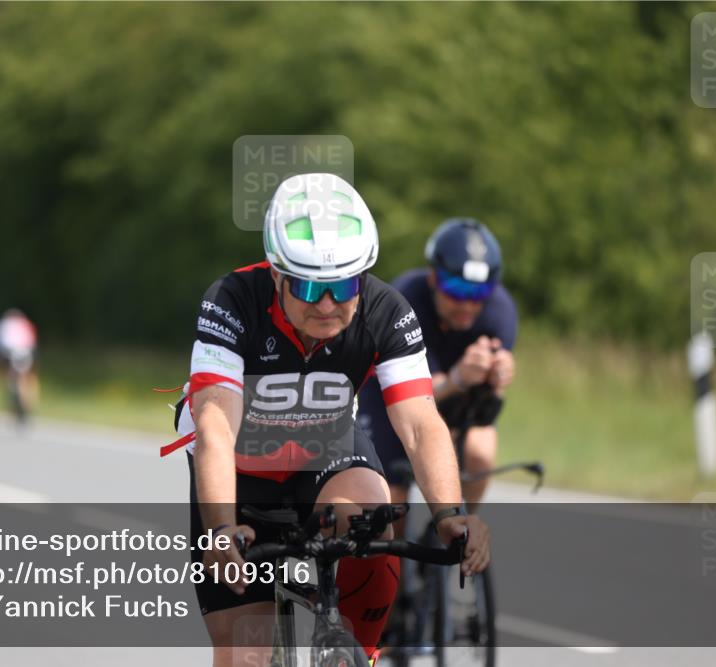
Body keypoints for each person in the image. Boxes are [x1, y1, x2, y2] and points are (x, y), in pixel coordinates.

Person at [161, 174, 490, 666]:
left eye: (343, 285)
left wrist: (448, 514)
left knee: (373, 516)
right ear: (276, 275)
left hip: (326, 450)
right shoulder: (232, 301)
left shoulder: (385, 310)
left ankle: (360, 654)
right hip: (240, 472)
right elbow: (215, 429)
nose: (328, 304)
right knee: (242, 655)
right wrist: (222, 527)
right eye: (310, 286)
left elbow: (421, 423)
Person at [357, 218, 518, 512]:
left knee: (481, 449)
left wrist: (499, 375)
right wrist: (458, 377)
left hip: (452, 396)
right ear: (433, 278)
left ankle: (464, 523)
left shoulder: (501, 311)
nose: (467, 304)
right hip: (392, 399)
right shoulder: (406, 298)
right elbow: (410, 396)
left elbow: (488, 402)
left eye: (479, 293)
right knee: (389, 503)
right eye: (456, 289)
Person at [0, 308, 39, 420]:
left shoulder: (3, 324)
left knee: (6, 375)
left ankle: (11, 401)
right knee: (28, 377)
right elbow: (33, 340)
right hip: (26, 351)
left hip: (8, 353)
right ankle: (29, 402)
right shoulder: (25, 323)